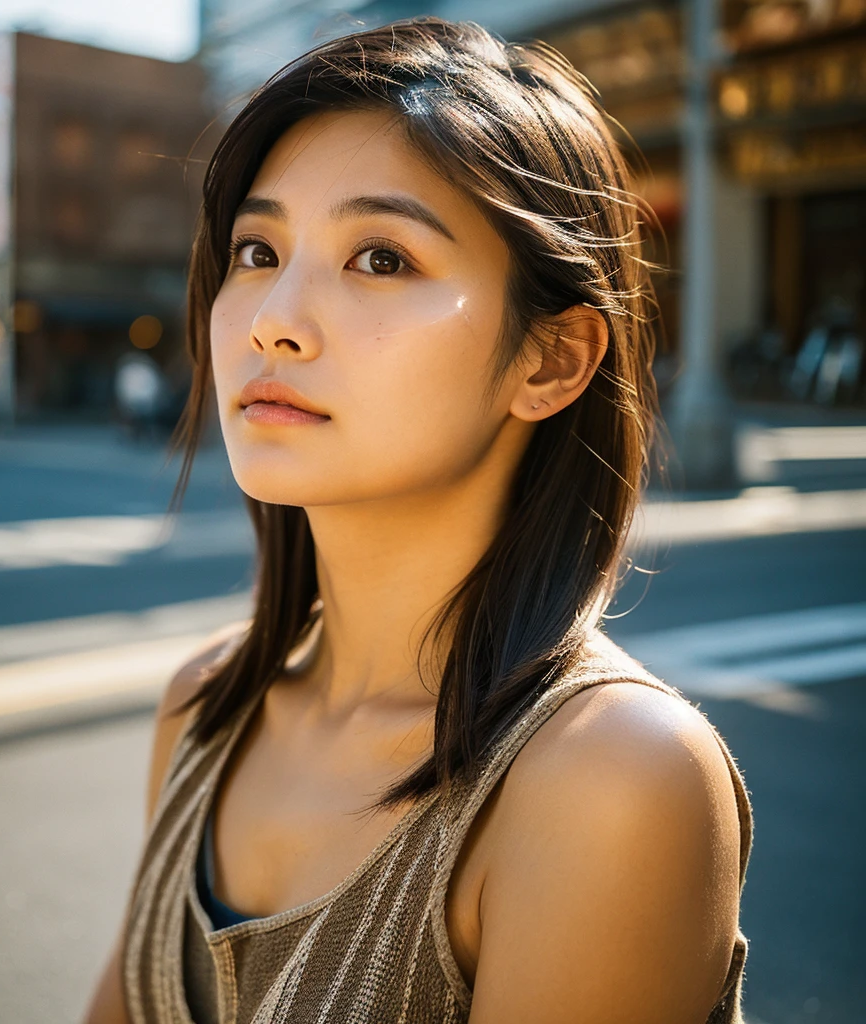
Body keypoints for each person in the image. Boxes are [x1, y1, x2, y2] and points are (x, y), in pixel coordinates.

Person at [85, 18, 752, 1024]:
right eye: (257, 249)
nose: (272, 316)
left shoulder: (610, 776)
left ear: (552, 359)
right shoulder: (204, 706)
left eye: (381, 258)